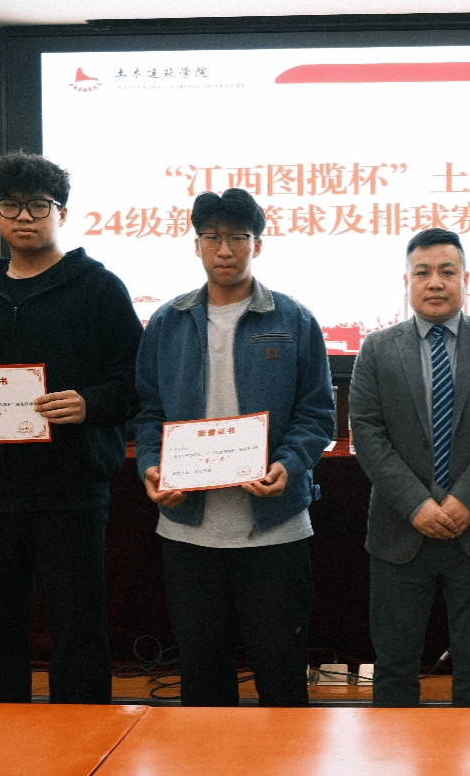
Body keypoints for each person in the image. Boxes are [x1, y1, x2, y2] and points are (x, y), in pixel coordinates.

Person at [0, 151, 143, 704]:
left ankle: (84, 737)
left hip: (71, 489)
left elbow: (136, 380)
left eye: (39, 205)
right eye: (11, 206)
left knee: (79, 628)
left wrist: (89, 403)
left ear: (62, 212)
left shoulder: (99, 289)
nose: (25, 217)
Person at [132, 188, 334, 707]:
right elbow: (148, 412)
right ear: (196, 245)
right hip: (188, 528)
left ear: (257, 245)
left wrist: (289, 464)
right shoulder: (167, 322)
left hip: (275, 526)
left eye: (238, 237)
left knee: (281, 672)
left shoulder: (294, 319)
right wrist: (152, 466)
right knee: (203, 678)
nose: (225, 249)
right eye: (212, 237)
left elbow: (317, 413)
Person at [349, 228, 470, 707]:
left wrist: (465, 500)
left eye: (447, 272)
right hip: (399, 529)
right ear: (406, 281)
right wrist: (417, 504)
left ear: (465, 279)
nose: (435, 282)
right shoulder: (377, 348)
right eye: (423, 272)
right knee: (394, 663)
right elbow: (366, 433)